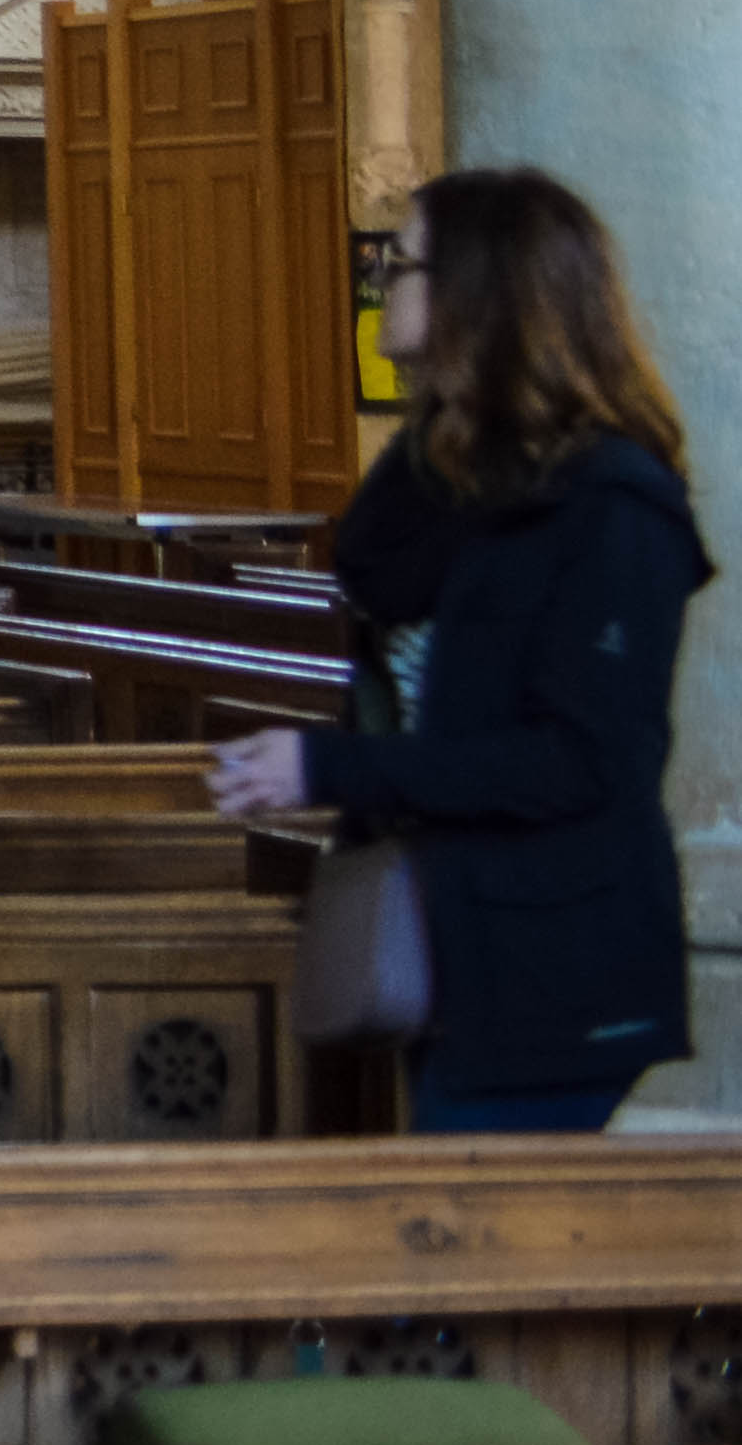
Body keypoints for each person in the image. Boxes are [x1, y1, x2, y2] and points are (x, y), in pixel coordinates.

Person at [209, 166, 709, 1132]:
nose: (382, 280)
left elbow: (580, 761)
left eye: (403, 264)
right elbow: (387, 595)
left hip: (549, 958)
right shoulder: (446, 476)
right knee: (439, 1244)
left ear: (480, 291)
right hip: (445, 933)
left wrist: (326, 764)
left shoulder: (610, 500)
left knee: (458, 1260)